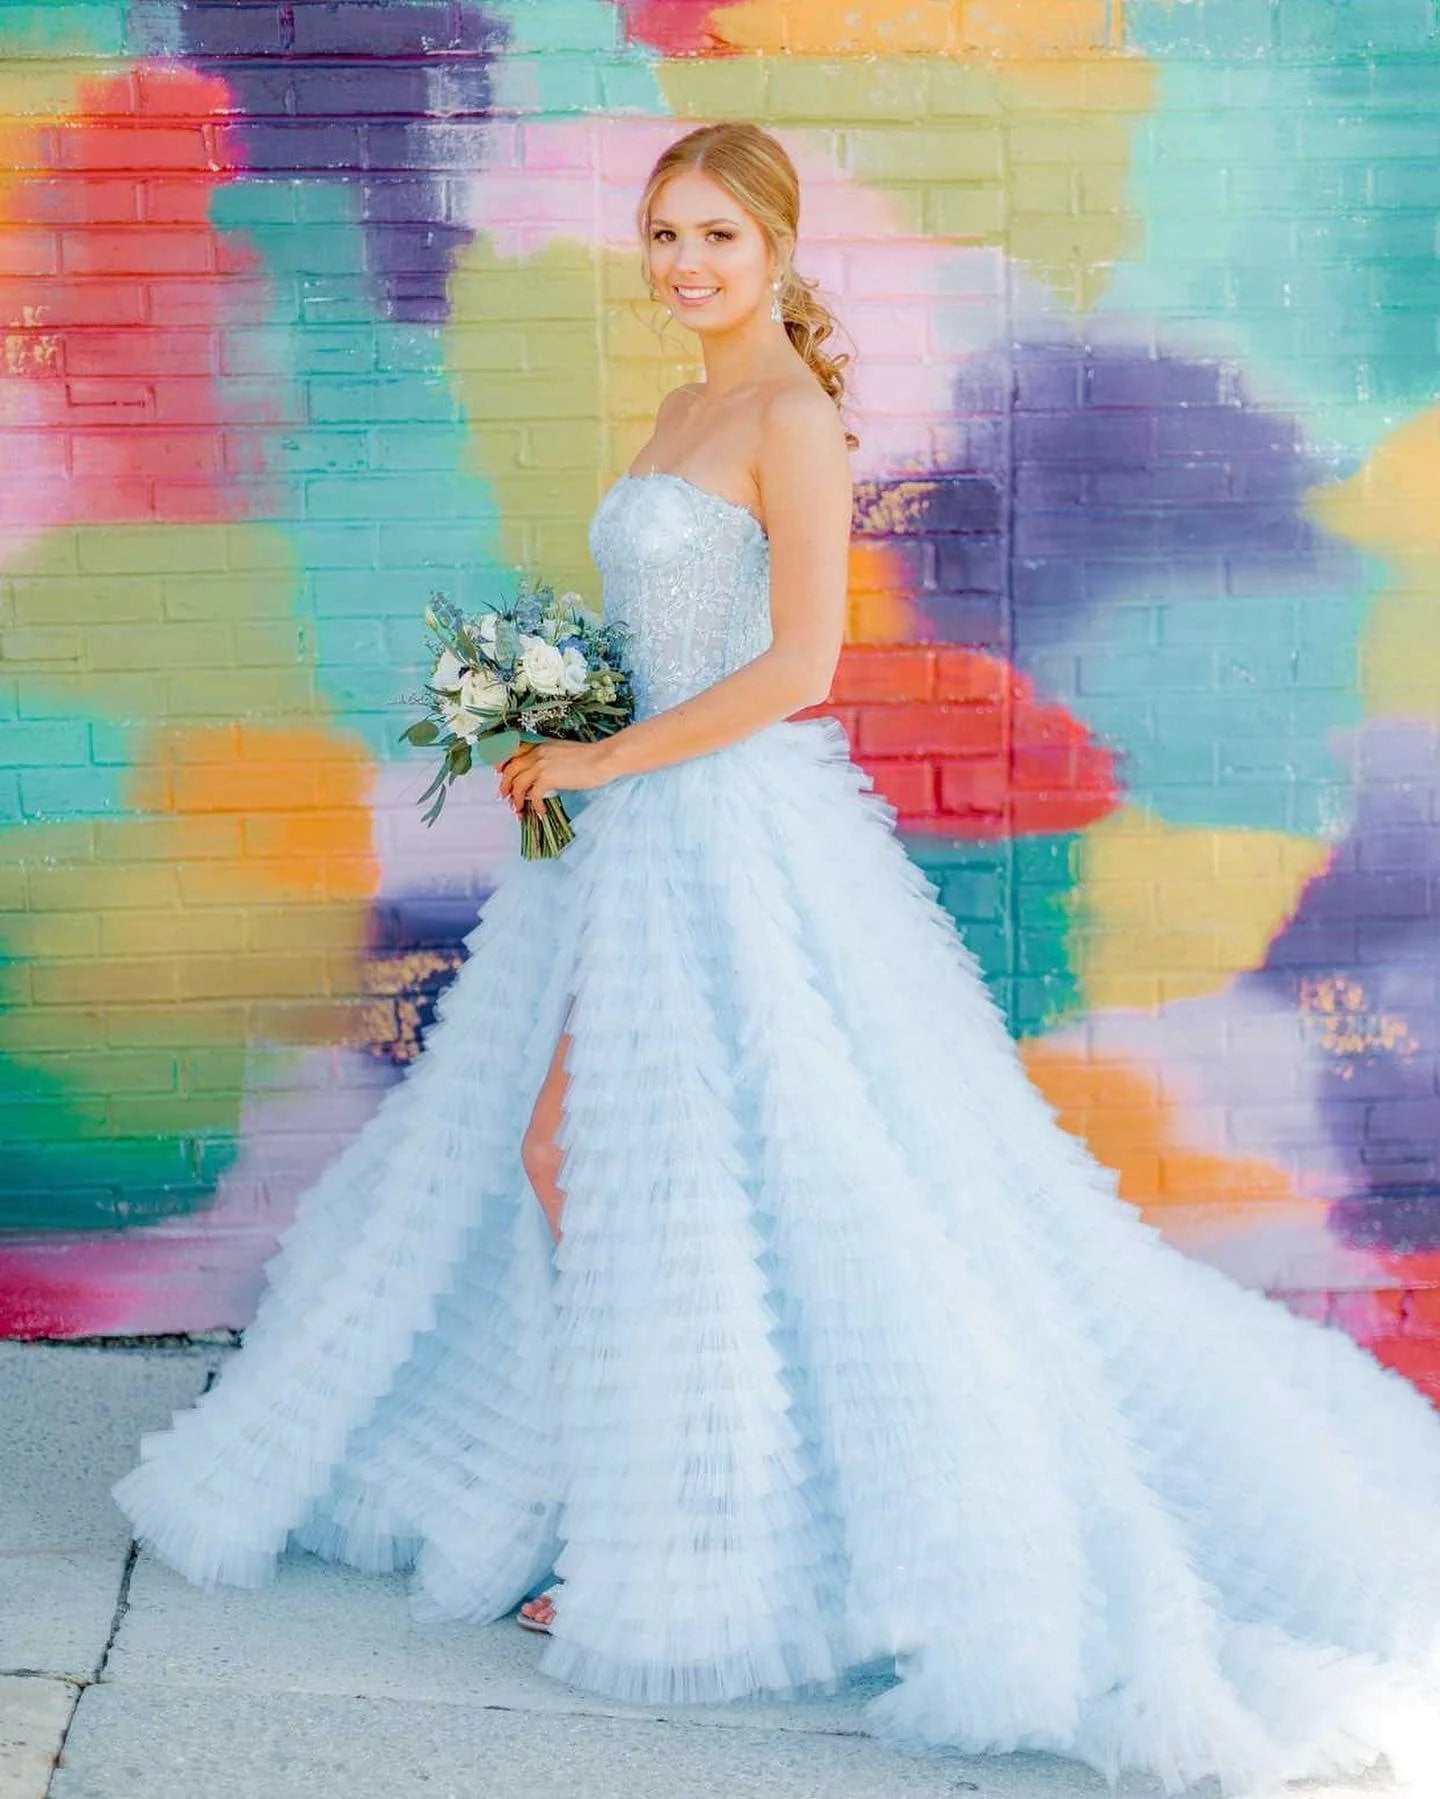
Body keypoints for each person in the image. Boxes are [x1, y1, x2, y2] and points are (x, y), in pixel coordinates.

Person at [113, 122, 1440, 1798]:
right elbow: (689, 638)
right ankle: (637, 1509)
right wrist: (573, 713)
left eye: (717, 237)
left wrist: (605, 756)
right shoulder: (682, 408)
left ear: (780, 251)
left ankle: (691, 1538)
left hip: (729, 832)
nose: (684, 264)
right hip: (643, 836)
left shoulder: (793, 419)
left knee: (715, 1174)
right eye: (665, 233)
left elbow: (802, 666)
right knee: (579, 1159)